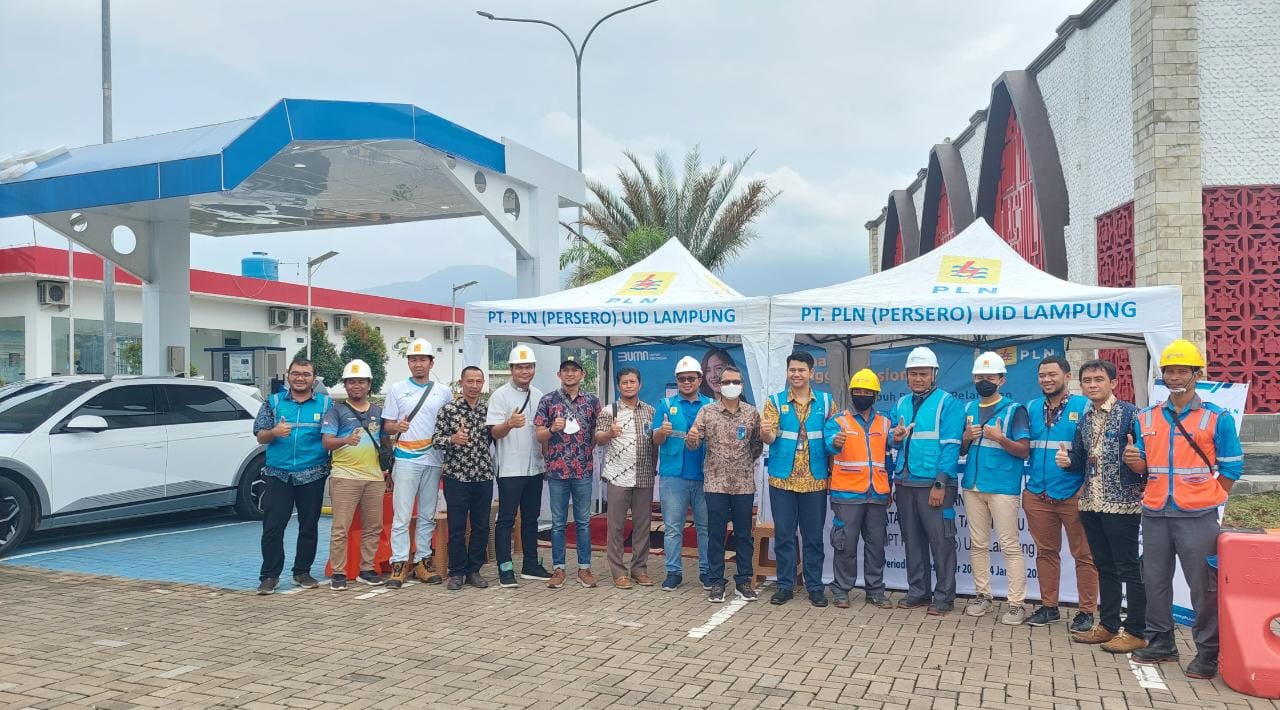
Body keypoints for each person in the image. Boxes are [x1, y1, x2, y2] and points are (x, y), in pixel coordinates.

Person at [1128, 340, 1243, 680]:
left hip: (1197, 517)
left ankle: (1208, 652)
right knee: (1155, 581)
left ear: (1196, 374)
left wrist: (1211, 498)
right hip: (1155, 514)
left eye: (1182, 371)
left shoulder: (1215, 417)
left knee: (1202, 587)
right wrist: (1134, 464)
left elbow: (1232, 468)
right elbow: (1144, 468)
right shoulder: (1145, 417)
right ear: (1162, 375)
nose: (1175, 377)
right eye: (1169, 371)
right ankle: (1162, 641)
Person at [1057, 359, 1148, 655]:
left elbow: (1146, 462)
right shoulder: (1084, 420)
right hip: (1091, 504)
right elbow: (1082, 461)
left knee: (1128, 568)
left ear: (1113, 383)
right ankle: (1108, 625)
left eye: (1098, 379)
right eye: (1087, 380)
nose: (1092, 385)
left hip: (1122, 504)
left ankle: (1136, 630)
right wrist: (1068, 463)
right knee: (1104, 567)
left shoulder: (1131, 416)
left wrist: (1138, 460)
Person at [1024, 355, 1098, 632]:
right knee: (1045, 552)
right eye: (1042, 375)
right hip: (1037, 493)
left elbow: (1095, 453)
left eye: (1052, 374)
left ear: (1067, 376)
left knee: (1085, 555)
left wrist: (1084, 488)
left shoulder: (1085, 406)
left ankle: (1087, 611)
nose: (1046, 379)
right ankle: (1049, 607)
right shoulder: (1031, 408)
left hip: (1073, 494)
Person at [891, 346, 964, 615]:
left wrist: (940, 484)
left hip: (933, 484)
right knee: (913, 541)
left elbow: (951, 445)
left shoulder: (948, 403)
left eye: (923, 374)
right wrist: (894, 437)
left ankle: (944, 596)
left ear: (934, 374)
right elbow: (892, 439)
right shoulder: (900, 403)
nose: (918, 378)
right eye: (913, 374)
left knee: (941, 542)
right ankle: (918, 591)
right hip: (906, 482)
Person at [960, 351, 1032, 625]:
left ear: (1002, 380)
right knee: (978, 544)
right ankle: (983, 595)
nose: (984, 381)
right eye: (979, 377)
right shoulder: (968, 409)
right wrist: (966, 437)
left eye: (990, 377)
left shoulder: (1015, 410)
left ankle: (1016, 603)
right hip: (973, 484)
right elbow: (963, 449)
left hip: (1002, 486)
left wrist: (1000, 438)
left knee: (1009, 545)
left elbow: (1023, 451)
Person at [252, 357, 332, 595]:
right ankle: (269, 575)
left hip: (313, 473)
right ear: (288, 375)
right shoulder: (273, 402)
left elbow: (331, 436)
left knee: (309, 526)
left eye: (306, 374)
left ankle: (302, 571)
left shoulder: (326, 405)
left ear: (313, 378)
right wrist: (274, 432)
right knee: (273, 527)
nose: (300, 378)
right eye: (296, 373)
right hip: (279, 474)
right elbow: (260, 436)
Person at [761, 350, 835, 607]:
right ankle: (785, 585)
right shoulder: (774, 401)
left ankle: (815, 587)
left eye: (801, 370)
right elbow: (768, 439)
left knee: (813, 536)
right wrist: (766, 434)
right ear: (787, 372)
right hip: (782, 480)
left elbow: (832, 441)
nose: (796, 374)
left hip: (815, 480)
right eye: (792, 369)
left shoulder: (826, 402)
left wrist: (837, 443)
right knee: (784, 535)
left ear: (811, 373)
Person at [382, 338, 453, 589]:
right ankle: (399, 563)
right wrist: (396, 427)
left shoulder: (443, 391)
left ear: (431, 363)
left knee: (426, 514)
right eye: (413, 360)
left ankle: (423, 560)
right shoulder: (397, 389)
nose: (418, 364)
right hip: (406, 459)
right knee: (402, 515)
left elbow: (449, 424)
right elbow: (387, 425)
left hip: (433, 459)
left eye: (423, 359)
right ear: (408, 363)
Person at [688, 366, 763, 603]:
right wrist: (691, 439)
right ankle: (716, 582)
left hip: (743, 485)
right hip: (715, 484)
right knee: (716, 535)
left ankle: (744, 581)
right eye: (727, 381)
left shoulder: (751, 413)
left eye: (736, 381)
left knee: (743, 534)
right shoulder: (707, 412)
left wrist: (741, 463)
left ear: (742, 385)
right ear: (718, 385)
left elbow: (757, 446)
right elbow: (694, 443)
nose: (732, 385)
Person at [823, 369, 894, 609]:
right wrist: (835, 442)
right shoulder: (838, 420)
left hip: (877, 494)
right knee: (845, 544)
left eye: (867, 392)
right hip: (847, 494)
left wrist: (889, 486)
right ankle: (841, 590)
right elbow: (829, 443)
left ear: (875, 395)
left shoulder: (885, 422)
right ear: (852, 393)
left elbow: (890, 453)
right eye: (858, 391)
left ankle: (875, 590)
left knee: (876, 545)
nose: (862, 395)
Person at [485, 344, 550, 588]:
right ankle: (505, 568)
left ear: (534, 369)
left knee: (532, 518)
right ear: (511, 369)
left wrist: (545, 461)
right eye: (520, 367)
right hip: (510, 468)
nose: (525, 371)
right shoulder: (500, 395)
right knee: (506, 519)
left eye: (529, 366)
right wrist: (509, 423)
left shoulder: (539, 394)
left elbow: (541, 431)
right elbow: (494, 431)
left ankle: (531, 564)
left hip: (534, 467)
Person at [320, 359, 388, 591]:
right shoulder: (336, 412)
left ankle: (366, 569)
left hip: (374, 478)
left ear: (369, 385)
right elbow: (327, 442)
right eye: (351, 382)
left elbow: (385, 442)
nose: (356, 386)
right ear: (345, 385)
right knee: (341, 527)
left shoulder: (379, 412)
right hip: (345, 477)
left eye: (361, 381)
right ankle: (339, 572)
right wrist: (345, 440)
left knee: (373, 526)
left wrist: (386, 466)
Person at [535, 357, 602, 589]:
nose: (570, 374)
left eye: (575, 371)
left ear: (582, 374)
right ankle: (558, 568)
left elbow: (597, 432)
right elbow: (539, 435)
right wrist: (553, 428)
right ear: (559, 374)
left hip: (582, 469)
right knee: (558, 523)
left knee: (583, 521)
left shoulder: (592, 401)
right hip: (556, 470)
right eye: (566, 371)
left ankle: (584, 568)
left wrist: (586, 450)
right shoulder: (548, 400)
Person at [652, 356, 715, 591]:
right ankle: (673, 572)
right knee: (673, 528)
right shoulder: (665, 405)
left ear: (700, 379)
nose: (686, 382)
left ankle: (706, 572)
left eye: (691, 378)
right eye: (681, 379)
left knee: (705, 528)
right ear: (677, 381)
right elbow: (655, 439)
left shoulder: (711, 406)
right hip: (673, 476)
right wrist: (662, 431)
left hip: (704, 475)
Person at [594, 367, 657, 589]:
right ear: (619, 386)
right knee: (617, 526)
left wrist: (653, 467)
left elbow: (655, 442)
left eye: (632, 381)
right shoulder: (608, 411)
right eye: (624, 382)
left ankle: (639, 569)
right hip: (618, 476)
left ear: (639, 385)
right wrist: (609, 433)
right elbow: (599, 438)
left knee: (642, 525)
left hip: (643, 476)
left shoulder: (651, 411)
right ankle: (618, 571)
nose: (629, 385)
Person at [435, 366, 496, 591]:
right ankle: (457, 571)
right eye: (469, 381)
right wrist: (452, 438)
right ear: (461, 383)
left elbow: (496, 437)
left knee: (481, 526)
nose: (473, 386)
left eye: (478, 381)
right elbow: (436, 440)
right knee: (457, 526)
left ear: (483, 384)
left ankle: (474, 570)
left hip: (483, 475)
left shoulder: (489, 411)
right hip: (456, 476)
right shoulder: (449, 410)